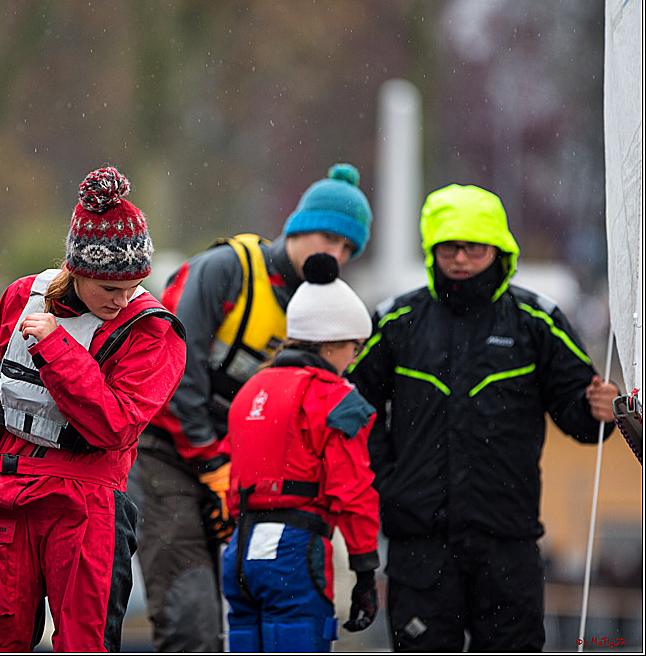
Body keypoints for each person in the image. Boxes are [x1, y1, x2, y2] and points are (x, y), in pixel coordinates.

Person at [347, 184, 619, 652]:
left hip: (507, 544)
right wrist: (387, 482)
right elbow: (350, 407)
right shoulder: (396, 321)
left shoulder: (537, 321)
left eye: (473, 247)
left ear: (499, 249)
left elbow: (581, 414)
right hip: (419, 547)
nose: (460, 258)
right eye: (448, 246)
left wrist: (600, 410)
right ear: (431, 248)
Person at [0, 166, 187, 652]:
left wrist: (57, 348)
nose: (123, 299)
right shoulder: (20, 298)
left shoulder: (154, 331)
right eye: (110, 289)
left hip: (88, 508)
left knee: (84, 645)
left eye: (133, 287)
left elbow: (116, 425)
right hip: (4, 497)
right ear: (77, 270)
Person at [133, 162, 373, 651]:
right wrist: (213, 465)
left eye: (348, 248)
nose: (336, 254)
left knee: (261, 622)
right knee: (190, 620)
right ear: (297, 227)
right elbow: (172, 370)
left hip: (236, 477)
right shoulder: (226, 271)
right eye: (329, 237)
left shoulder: (320, 312)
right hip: (167, 462)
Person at [222, 253, 380, 652]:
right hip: (294, 551)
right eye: (354, 347)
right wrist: (365, 569)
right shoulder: (336, 398)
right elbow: (354, 489)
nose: (354, 359)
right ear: (331, 344)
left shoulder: (250, 390)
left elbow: (229, 466)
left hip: (239, 548)